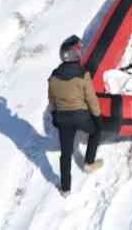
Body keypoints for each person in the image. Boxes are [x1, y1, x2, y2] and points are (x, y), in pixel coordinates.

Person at [48, 34, 103, 194]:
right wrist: (97, 117)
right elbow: (91, 99)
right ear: (76, 55)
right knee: (96, 131)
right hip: (80, 116)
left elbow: (52, 100)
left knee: (65, 154)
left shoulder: (54, 76)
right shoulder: (82, 74)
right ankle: (89, 163)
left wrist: (54, 115)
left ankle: (65, 188)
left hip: (62, 118)